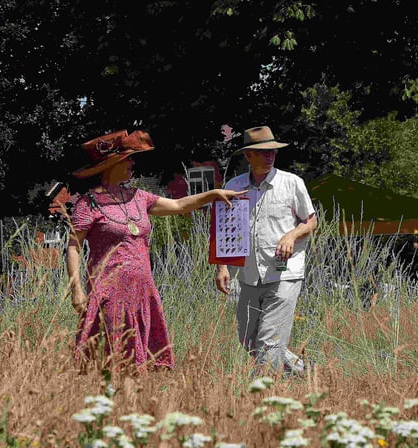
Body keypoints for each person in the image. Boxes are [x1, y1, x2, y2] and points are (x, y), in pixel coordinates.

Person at [66, 129, 245, 373]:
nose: (132, 162)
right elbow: (74, 246)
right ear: (111, 165)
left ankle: (134, 402)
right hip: (107, 291)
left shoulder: (139, 197)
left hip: (142, 290)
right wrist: (76, 289)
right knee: (110, 357)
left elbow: (179, 205)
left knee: (140, 363)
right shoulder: (88, 203)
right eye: (127, 158)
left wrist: (212, 194)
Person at [215, 125, 317, 376]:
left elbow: (312, 221)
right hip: (249, 273)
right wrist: (222, 266)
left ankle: (263, 395)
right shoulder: (234, 186)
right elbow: (224, 228)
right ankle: (307, 372)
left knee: (269, 341)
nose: (270, 156)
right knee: (248, 339)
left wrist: (292, 235)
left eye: (272, 151)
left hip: (285, 273)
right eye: (263, 152)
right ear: (248, 155)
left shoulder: (292, 183)